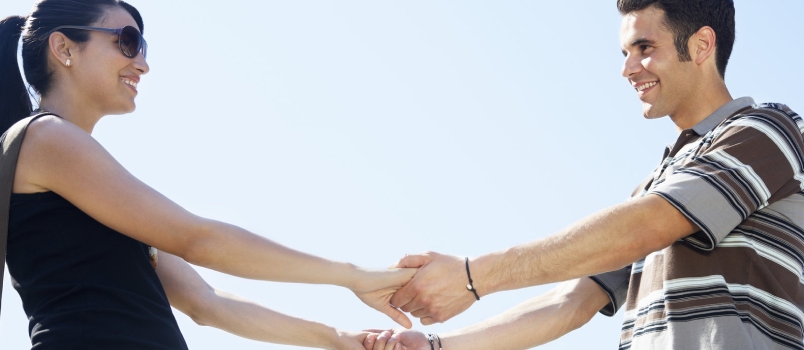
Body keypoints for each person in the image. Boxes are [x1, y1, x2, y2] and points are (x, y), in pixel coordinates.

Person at [363, 0, 804, 349]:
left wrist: (473, 275)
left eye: (645, 49)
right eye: (626, 53)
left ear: (702, 45)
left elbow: (648, 224)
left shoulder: (768, 130)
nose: (628, 69)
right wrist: (438, 345)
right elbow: (569, 302)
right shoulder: (653, 186)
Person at [0, 1, 417, 349]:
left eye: (143, 47)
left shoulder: (78, 165)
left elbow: (206, 301)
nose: (142, 64)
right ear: (64, 47)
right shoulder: (45, 138)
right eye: (127, 42)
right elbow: (200, 240)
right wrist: (352, 275)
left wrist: (339, 337)